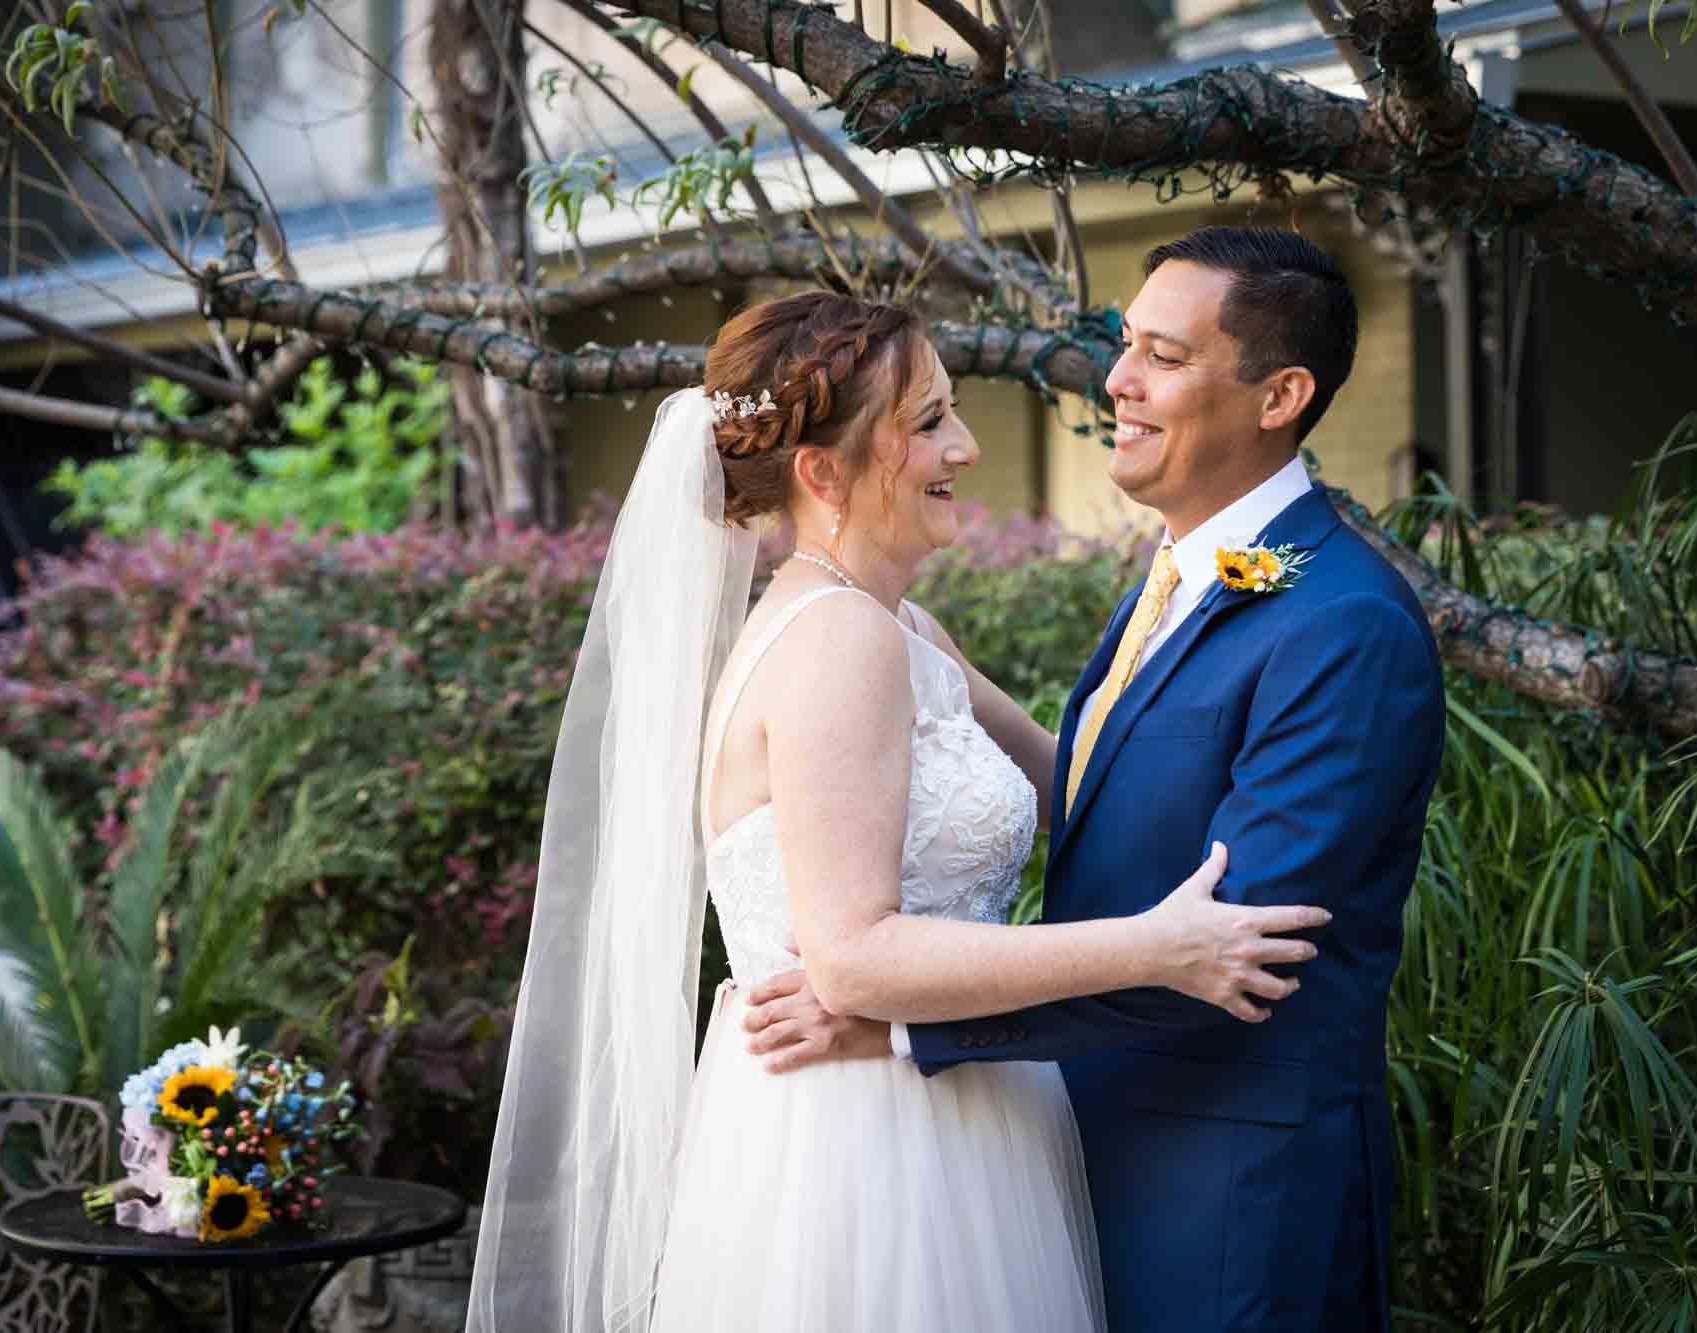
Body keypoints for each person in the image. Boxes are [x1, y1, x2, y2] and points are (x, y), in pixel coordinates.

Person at [463, 290, 1332, 1333]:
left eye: (951, 411)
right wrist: (1152, 948)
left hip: (955, 1104)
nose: (962, 446)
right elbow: (853, 960)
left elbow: (1079, 794)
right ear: (822, 471)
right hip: (869, 1138)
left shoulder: (898, 624)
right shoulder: (840, 642)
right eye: (925, 422)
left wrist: (1238, 671)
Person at [745, 229, 1449, 1332]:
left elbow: (1236, 944)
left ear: (1280, 396)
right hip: (1074, 1149)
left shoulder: (1341, 624)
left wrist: (893, 1022)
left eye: (1163, 356)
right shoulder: (1180, 571)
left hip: (1228, 1189)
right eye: (1125, 345)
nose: (1115, 380)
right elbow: (1111, 809)